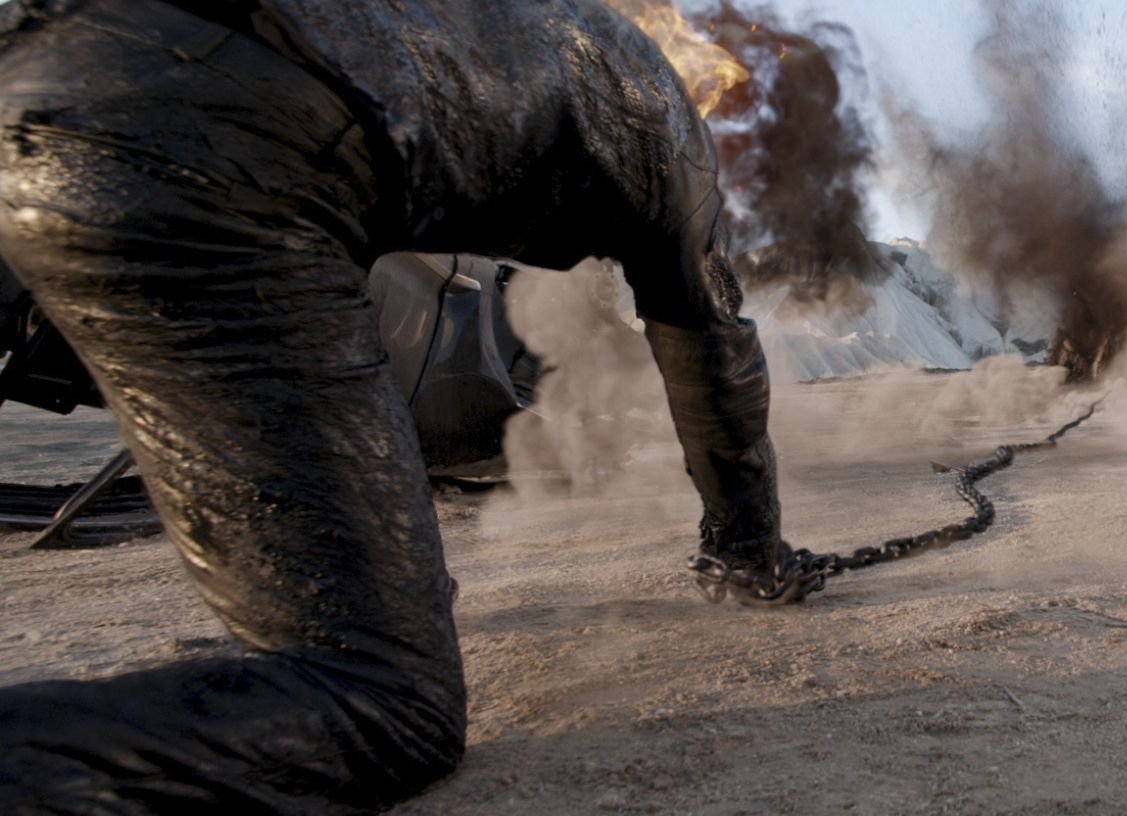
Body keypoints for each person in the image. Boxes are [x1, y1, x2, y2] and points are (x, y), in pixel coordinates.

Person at [0, 0, 786, 812]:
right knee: (384, 704)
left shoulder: (506, 28)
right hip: (214, 147)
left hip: (48, 92)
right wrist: (749, 547)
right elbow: (714, 357)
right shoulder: (666, 122)